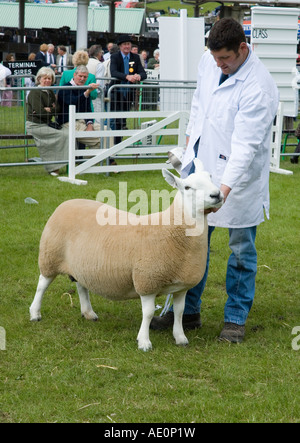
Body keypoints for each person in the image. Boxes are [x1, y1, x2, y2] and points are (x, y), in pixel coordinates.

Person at [150, 18, 279, 343]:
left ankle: (235, 318)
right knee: (193, 245)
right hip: (202, 166)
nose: (220, 65)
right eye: (216, 58)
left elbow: (245, 146)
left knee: (240, 250)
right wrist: (188, 149)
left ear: (243, 48)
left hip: (239, 180)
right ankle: (186, 311)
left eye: (226, 59)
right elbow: (199, 106)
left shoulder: (259, 87)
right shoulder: (210, 61)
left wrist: (221, 192)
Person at [26, 67, 69, 176]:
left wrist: (49, 109)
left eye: (49, 78)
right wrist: (50, 109)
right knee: (62, 135)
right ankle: (53, 167)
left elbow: (58, 108)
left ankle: (59, 164)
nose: (47, 81)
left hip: (46, 124)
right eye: (45, 78)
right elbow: (39, 112)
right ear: (39, 79)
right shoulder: (35, 92)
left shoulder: (49, 91)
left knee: (66, 134)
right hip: (35, 125)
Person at [109, 34, 147, 143]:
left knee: (123, 120)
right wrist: (127, 76)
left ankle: (118, 144)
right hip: (116, 92)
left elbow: (143, 73)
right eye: (125, 44)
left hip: (129, 93)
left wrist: (138, 76)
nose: (127, 46)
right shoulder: (115, 56)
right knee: (116, 120)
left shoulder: (135, 57)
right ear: (120, 46)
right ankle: (114, 144)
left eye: (129, 44)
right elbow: (114, 72)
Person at [57, 65, 101, 149]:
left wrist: (90, 124)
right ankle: (87, 160)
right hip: (68, 122)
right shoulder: (65, 88)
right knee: (98, 139)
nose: (82, 79)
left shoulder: (84, 88)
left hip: (84, 122)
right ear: (74, 75)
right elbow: (72, 102)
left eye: (85, 77)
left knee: (107, 131)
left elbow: (88, 109)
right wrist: (87, 92)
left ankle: (89, 159)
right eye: (80, 76)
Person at [87, 44, 105, 116]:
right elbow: (99, 83)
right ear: (98, 53)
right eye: (101, 52)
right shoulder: (99, 64)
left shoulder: (85, 62)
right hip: (95, 95)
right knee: (97, 116)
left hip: (85, 92)